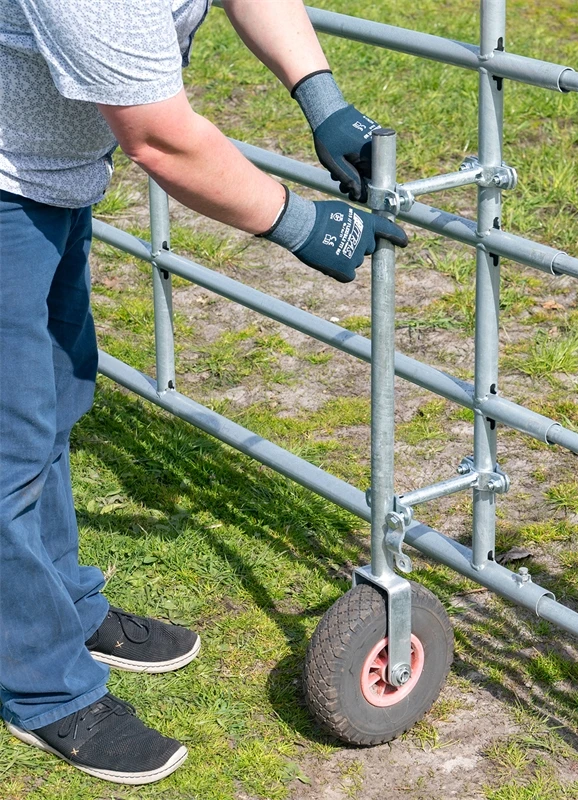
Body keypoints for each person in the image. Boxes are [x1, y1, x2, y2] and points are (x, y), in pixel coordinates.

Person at [0, 0, 407, 786]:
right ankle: (45, 687)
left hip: (46, 178)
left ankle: (62, 613)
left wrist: (320, 96)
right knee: (6, 445)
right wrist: (300, 224)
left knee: (50, 401)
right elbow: (160, 138)